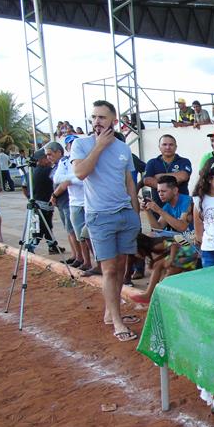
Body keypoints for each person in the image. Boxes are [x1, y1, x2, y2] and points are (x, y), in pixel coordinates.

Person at [71, 100, 142, 343]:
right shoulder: (81, 145)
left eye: (102, 117)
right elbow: (80, 173)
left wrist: (135, 214)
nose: (97, 122)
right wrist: (99, 146)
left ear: (113, 120)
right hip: (100, 217)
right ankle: (117, 320)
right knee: (109, 269)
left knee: (121, 268)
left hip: (125, 215)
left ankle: (111, 313)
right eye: (94, 117)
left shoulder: (123, 149)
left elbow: (129, 182)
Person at [131, 175, 196, 304]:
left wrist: (159, 210)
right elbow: (158, 229)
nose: (160, 194)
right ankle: (149, 294)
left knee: (171, 263)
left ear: (175, 190)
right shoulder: (167, 207)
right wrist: (148, 211)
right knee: (159, 263)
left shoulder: (186, 201)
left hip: (195, 246)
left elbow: (182, 226)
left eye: (163, 191)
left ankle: (159, 296)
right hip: (182, 245)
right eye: (159, 191)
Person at [57, 135, 95, 273]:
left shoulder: (88, 160)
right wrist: (75, 177)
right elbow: (57, 178)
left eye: (74, 143)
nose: (72, 146)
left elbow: (82, 178)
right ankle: (86, 261)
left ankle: (97, 262)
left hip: (89, 201)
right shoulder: (65, 162)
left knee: (91, 234)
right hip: (74, 202)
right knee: (80, 235)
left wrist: (70, 179)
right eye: (70, 144)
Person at [46, 141, 81, 264]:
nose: (48, 157)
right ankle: (74, 255)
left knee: (73, 231)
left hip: (67, 200)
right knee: (69, 230)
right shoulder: (59, 165)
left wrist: (54, 195)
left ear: (59, 152)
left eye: (50, 154)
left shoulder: (67, 163)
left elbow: (64, 183)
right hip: (62, 202)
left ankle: (79, 257)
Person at [25, 149, 61, 254]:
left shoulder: (32, 171)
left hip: (37, 202)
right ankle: (31, 246)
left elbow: (24, 188)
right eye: (47, 157)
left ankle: (52, 245)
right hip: (43, 204)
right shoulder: (47, 171)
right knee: (42, 228)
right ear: (42, 159)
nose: (49, 159)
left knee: (46, 226)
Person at [143, 134, 193, 204]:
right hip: (158, 207)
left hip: (181, 206)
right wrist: (172, 184)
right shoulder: (152, 162)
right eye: (164, 144)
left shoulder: (184, 161)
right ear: (159, 147)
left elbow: (183, 176)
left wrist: (159, 176)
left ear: (176, 147)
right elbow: (147, 181)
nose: (168, 147)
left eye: (171, 145)